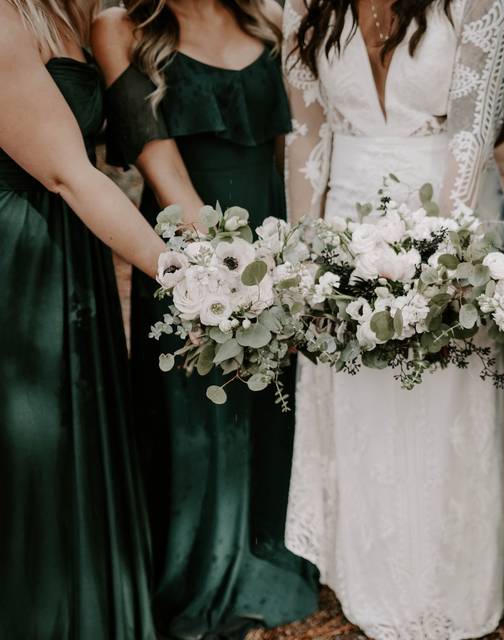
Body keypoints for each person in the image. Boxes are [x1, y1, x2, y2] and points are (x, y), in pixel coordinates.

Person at [281, 0, 504, 635]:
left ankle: (451, 589)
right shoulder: (305, 5)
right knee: (363, 395)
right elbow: (306, 132)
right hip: (345, 213)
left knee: (444, 395)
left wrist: (440, 258)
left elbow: (474, 128)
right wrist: (306, 249)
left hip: (449, 212)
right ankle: (369, 580)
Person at [91, 1, 318, 636]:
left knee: (273, 401)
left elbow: (289, 147)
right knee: (197, 408)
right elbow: (163, 170)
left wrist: (290, 255)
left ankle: (269, 551)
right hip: (190, 249)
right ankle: (199, 568)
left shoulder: (267, 22)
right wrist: (227, 266)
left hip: (271, 232)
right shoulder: (121, 29)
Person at [0, 1, 165, 637]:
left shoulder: (78, 13)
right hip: (21, 260)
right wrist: (194, 281)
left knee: (75, 432)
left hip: (72, 255)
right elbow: (70, 174)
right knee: (34, 445)